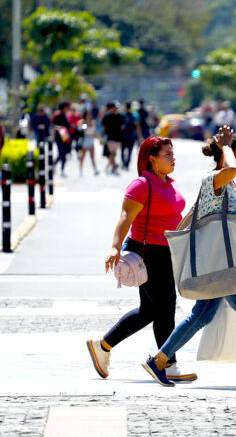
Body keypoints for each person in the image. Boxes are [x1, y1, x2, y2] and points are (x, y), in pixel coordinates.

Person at [142, 127, 236, 389]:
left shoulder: (225, 182)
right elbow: (229, 169)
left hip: (219, 262)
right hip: (223, 265)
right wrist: (227, 147)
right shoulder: (215, 179)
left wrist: (228, 149)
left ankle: (159, 360)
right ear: (226, 155)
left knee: (202, 315)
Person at [89, 136, 197, 383]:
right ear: (152, 159)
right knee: (165, 306)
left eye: (173, 153)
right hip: (147, 252)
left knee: (150, 310)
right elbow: (125, 217)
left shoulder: (167, 183)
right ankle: (167, 363)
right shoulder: (141, 184)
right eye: (167, 154)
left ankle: (102, 346)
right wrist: (114, 247)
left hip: (166, 251)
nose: (173, 158)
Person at [102, 102, 124, 175]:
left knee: (114, 154)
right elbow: (104, 128)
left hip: (118, 137)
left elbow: (122, 127)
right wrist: (102, 137)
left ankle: (108, 166)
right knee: (112, 153)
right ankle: (114, 168)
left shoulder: (120, 116)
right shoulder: (107, 116)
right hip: (110, 137)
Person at [52, 102, 72, 177]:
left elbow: (67, 125)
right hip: (59, 137)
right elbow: (53, 125)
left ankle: (62, 169)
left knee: (64, 154)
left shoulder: (65, 115)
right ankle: (54, 165)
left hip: (64, 136)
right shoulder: (58, 114)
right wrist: (59, 128)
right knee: (61, 153)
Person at [77, 111, 100, 176]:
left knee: (92, 156)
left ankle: (95, 169)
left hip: (91, 139)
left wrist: (99, 139)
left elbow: (95, 132)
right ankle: (81, 170)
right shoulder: (82, 122)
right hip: (85, 139)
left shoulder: (93, 122)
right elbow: (79, 129)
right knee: (83, 156)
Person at [121, 102, 139, 171]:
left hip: (124, 136)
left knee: (122, 150)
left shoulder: (123, 116)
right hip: (131, 136)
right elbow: (137, 126)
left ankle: (123, 163)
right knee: (130, 151)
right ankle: (127, 164)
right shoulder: (133, 116)